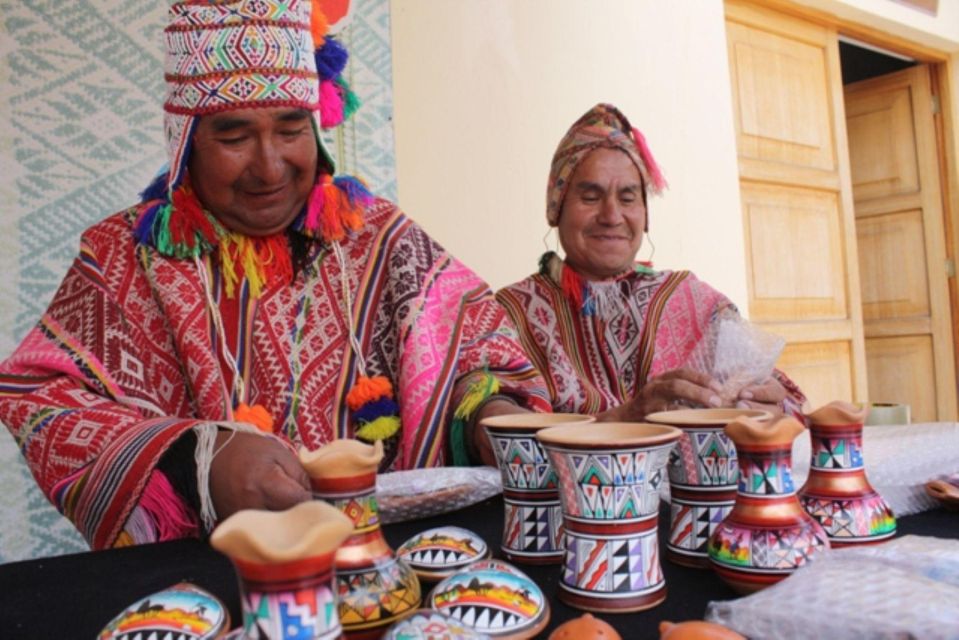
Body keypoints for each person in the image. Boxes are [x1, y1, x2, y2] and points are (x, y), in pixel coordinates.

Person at [0, 0, 549, 550]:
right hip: (215, 581)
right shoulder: (125, 259)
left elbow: (479, 359)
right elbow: (38, 397)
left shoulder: (383, 240)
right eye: (234, 138)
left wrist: (490, 420)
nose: (269, 166)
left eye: (290, 130)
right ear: (185, 145)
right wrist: (200, 457)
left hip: (393, 564)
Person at [496, 103, 805, 421]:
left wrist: (769, 407)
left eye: (628, 198)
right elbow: (495, 432)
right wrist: (626, 418)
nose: (612, 216)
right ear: (555, 207)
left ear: (645, 216)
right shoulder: (510, 315)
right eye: (590, 197)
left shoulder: (695, 303)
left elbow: (788, 407)